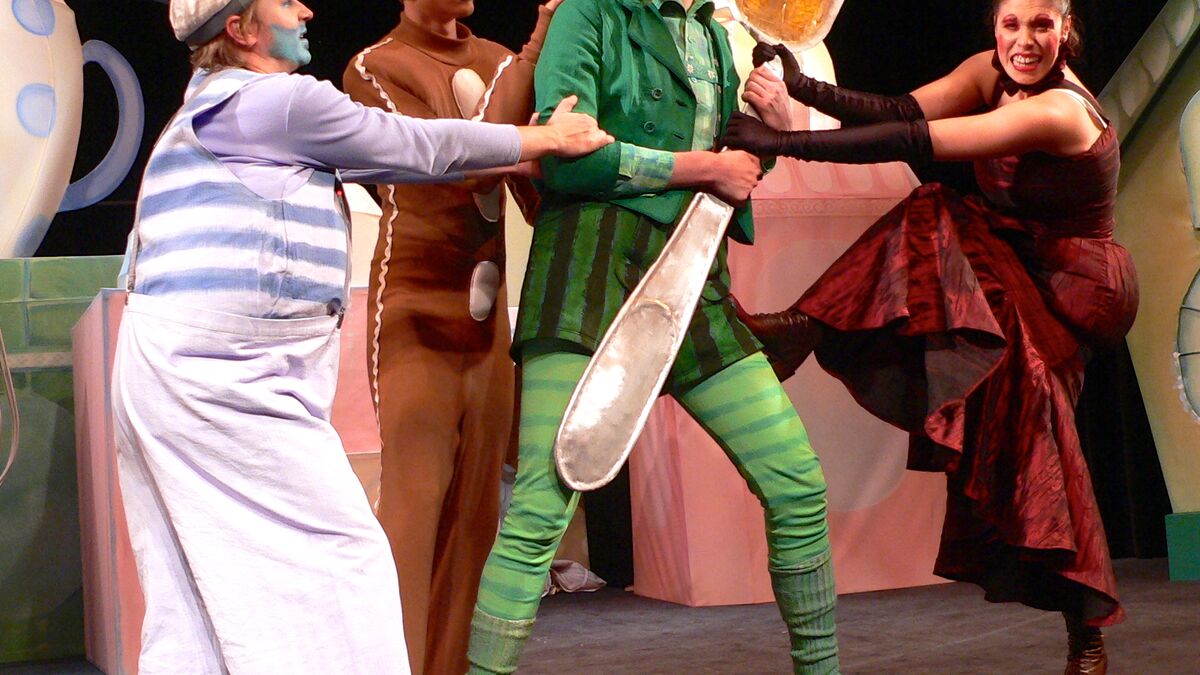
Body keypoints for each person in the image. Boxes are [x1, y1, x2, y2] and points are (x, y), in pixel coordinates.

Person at [111, 0, 611, 672]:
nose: (306, 9)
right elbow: (417, 145)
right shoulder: (278, 103)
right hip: (221, 374)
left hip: (169, 364)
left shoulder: (201, 108)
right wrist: (544, 140)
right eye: (284, 2)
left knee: (195, 588)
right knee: (345, 559)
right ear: (242, 30)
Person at [721, 1, 1136, 672]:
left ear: (1066, 28)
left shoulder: (1061, 110)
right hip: (1010, 250)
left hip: (1072, 287)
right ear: (994, 27)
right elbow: (902, 110)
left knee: (1037, 423)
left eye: (1041, 25)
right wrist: (803, 86)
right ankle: (803, 328)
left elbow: (915, 141)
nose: (1024, 41)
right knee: (933, 208)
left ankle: (1087, 631)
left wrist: (782, 142)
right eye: (1011, 24)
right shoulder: (989, 71)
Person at [465, 0, 840, 672]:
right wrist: (701, 168)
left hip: (693, 281)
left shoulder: (712, 35)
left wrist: (775, 137)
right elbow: (565, 157)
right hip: (589, 272)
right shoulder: (589, 14)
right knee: (539, 513)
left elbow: (734, 174)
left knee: (796, 483)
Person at [340, 1, 558, 672]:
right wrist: (535, 54)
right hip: (417, 315)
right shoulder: (375, 68)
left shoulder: (497, 61)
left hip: (486, 332)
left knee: (475, 520)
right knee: (414, 511)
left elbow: (534, 192)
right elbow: (463, 165)